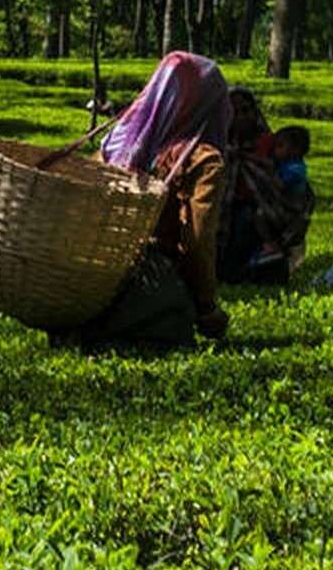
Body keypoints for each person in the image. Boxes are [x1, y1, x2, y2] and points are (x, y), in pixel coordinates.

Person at [68, 52, 231, 351]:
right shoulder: (203, 159)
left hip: (85, 285)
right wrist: (207, 307)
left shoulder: (117, 142)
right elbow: (197, 241)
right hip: (150, 288)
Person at [220, 123, 314, 286]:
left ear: (295, 150)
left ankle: (270, 244)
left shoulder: (293, 169)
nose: (276, 151)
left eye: (281, 146)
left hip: (280, 210)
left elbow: (282, 188)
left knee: (258, 217)